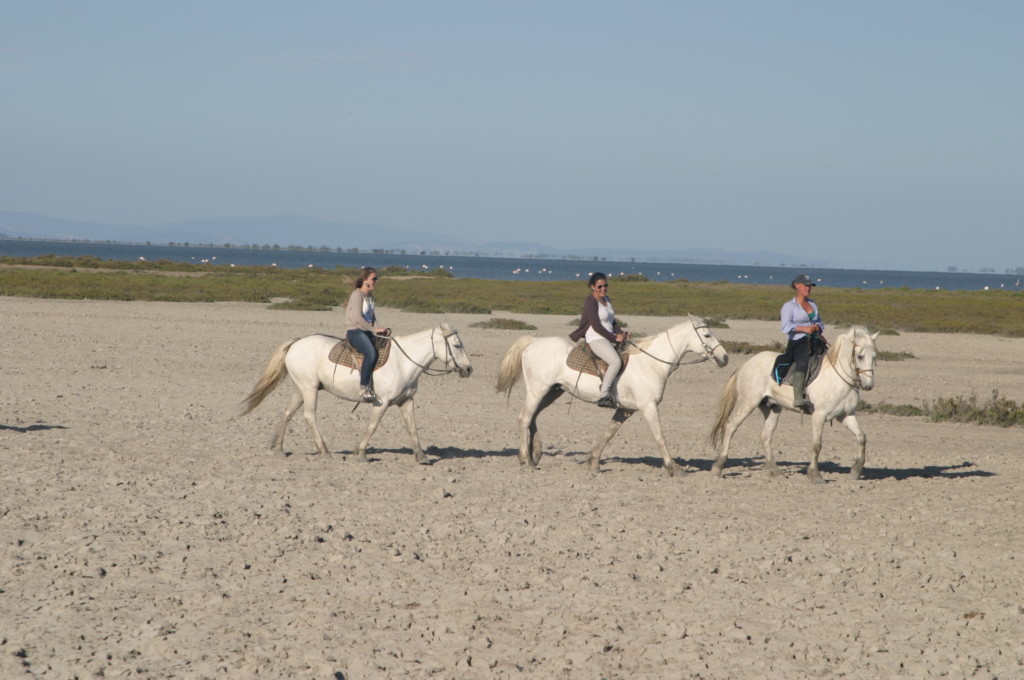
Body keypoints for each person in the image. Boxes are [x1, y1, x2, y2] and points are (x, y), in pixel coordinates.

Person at [569, 272, 626, 408]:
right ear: (593, 287)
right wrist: (614, 337)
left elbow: (612, 322)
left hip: (607, 336)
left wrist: (622, 333)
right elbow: (596, 325)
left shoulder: (607, 299)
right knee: (615, 362)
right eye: (599, 286)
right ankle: (604, 394)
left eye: (605, 285)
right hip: (595, 337)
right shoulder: (591, 301)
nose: (603, 289)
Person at [779, 273, 825, 414]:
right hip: (798, 342)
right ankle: (798, 398)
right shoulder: (788, 307)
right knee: (803, 362)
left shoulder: (813, 304)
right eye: (806, 285)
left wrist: (817, 327)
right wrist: (803, 328)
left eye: (810, 286)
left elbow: (820, 322)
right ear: (797, 285)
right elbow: (785, 327)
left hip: (814, 339)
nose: (808, 288)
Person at [346, 267, 389, 402]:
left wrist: (380, 329)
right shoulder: (357, 295)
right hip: (355, 331)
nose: (376, 281)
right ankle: (364, 387)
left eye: (376, 279)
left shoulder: (370, 296)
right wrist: (372, 329)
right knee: (371, 352)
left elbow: (372, 316)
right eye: (374, 279)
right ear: (365, 280)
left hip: (367, 330)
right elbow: (358, 318)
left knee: (386, 346)